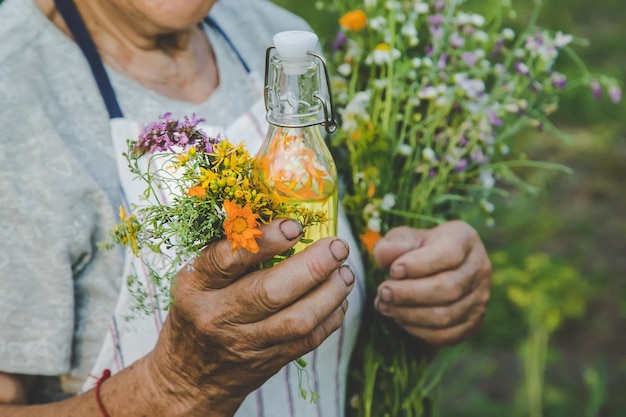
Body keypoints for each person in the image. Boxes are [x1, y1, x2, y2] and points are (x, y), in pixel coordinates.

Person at [0, 0, 492, 415]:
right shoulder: (15, 89)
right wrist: (174, 388)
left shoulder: (272, 35)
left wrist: (421, 291)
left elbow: (340, 305)